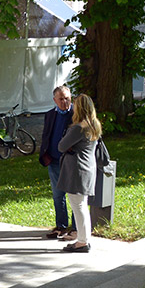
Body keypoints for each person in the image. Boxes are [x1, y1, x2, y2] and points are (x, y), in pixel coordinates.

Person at [56, 94, 103, 253]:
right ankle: (84, 239)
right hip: (88, 168)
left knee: (78, 206)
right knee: (82, 205)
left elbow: (61, 146)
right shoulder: (94, 124)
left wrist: (69, 145)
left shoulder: (78, 128)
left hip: (77, 171)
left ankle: (82, 241)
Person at [39, 85, 75, 240]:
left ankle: (76, 227)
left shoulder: (76, 115)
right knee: (57, 194)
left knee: (74, 195)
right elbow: (46, 135)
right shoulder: (50, 115)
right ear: (54, 100)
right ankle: (60, 225)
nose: (64, 101)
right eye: (60, 99)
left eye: (66, 98)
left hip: (71, 162)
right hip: (53, 160)